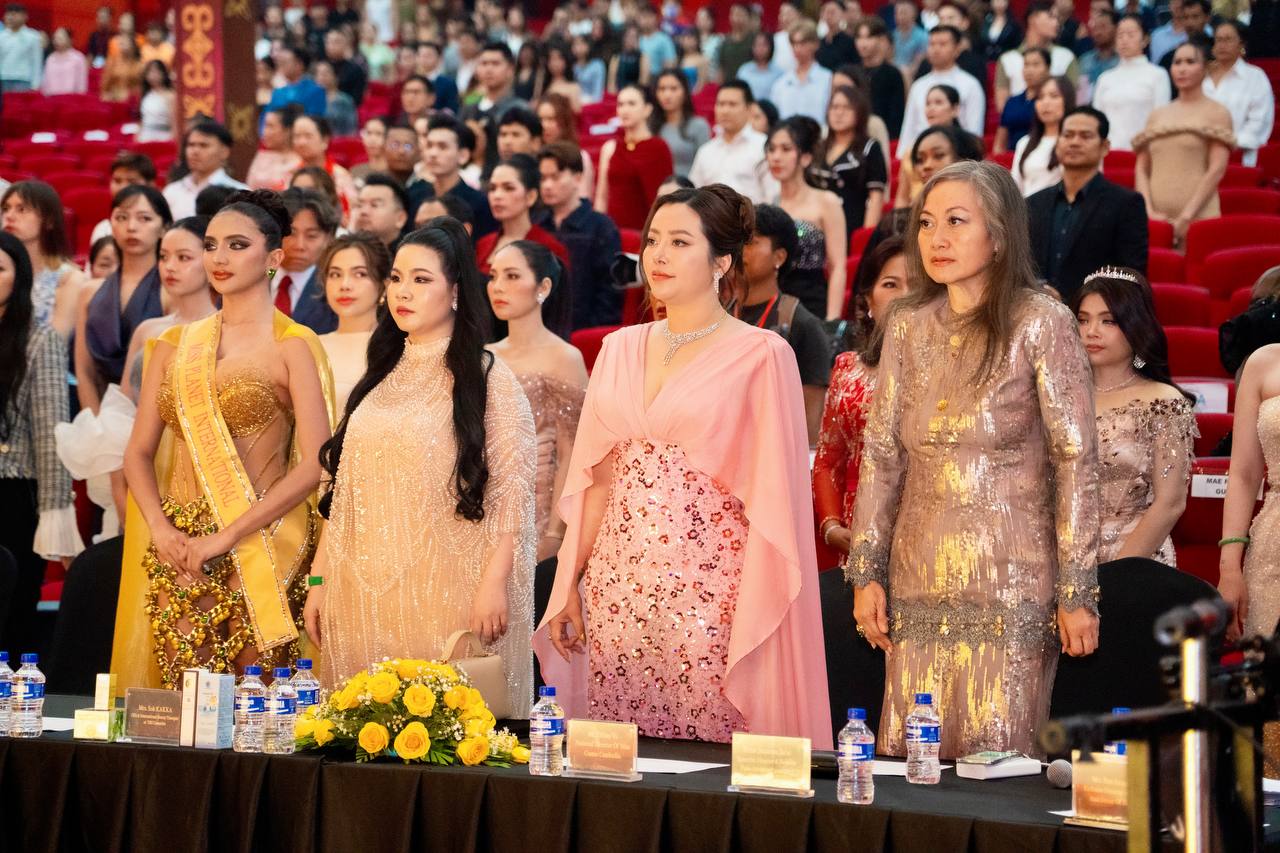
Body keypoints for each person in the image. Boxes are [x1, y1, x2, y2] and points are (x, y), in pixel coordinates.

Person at [537, 184, 832, 745]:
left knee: (707, 765)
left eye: (679, 242)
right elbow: (597, 480)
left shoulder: (762, 355)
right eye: (652, 241)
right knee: (620, 760)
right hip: (616, 591)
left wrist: (748, 604)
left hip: (713, 596)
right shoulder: (619, 347)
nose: (659, 255)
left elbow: (776, 501)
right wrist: (568, 582)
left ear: (722, 261)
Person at [848, 161, 1100, 760]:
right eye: (927, 223)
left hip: (1012, 577)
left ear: (1000, 234)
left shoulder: (1042, 322)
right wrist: (866, 573)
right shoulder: (907, 326)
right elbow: (881, 456)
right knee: (915, 766)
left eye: (956, 222)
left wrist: (1078, 590)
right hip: (917, 574)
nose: (936, 238)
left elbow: (1076, 460)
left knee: (999, 767)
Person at [305, 217, 535, 705]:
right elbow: (342, 495)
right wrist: (319, 579)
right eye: (396, 278)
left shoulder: (488, 378)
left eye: (421, 279)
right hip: (361, 593)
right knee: (362, 729)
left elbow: (513, 492)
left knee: (447, 729)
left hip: (451, 593)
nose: (402, 292)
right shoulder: (380, 375)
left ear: (455, 292)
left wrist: (495, 582)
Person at [112, 190, 335, 690]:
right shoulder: (171, 348)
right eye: (211, 245)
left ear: (274, 258)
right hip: (180, 547)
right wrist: (160, 529)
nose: (219, 258)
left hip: (263, 541)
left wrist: (228, 535)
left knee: (256, 705)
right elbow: (138, 453)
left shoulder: (293, 345)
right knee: (184, 698)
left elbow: (315, 464)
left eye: (237, 245)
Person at [1071, 268, 1195, 565]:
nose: (1091, 331)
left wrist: (1118, 574)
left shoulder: (1164, 402)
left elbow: (1170, 503)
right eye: (1083, 320)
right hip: (1061, 561)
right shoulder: (1059, 396)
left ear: (1135, 325)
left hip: (1137, 562)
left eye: (1108, 321)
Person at [0, 233, 82, 653]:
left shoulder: (39, 340)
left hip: (16, 491)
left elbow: (51, 431)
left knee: (13, 611)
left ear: (19, 277)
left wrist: (55, 511)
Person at [814, 237, 910, 567]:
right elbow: (828, 459)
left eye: (917, 285)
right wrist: (831, 526)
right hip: (856, 537)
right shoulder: (847, 368)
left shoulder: (953, 369)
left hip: (927, 538)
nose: (904, 296)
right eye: (891, 284)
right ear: (868, 299)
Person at [487, 240, 586, 558]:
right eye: (493, 276)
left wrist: (555, 532)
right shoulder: (485, 356)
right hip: (484, 507)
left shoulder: (564, 357)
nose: (497, 286)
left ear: (543, 287)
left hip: (537, 513)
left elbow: (573, 452)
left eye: (512, 276)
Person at [1026, 107, 1148, 304]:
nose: (1074, 142)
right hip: (1035, 312)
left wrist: (1069, 301)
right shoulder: (1033, 203)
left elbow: (1130, 278)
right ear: (1057, 144)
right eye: (1068, 135)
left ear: (1105, 147)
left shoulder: (1126, 204)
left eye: (1085, 136)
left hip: (1093, 316)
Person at [736, 203, 832, 443]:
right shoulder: (720, 314)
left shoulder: (802, 324)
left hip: (774, 450)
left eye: (751, 242)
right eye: (739, 241)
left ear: (779, 257)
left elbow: (810, 424)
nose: (741, 250)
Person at [76, 186, 172, 413]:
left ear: (164, 228)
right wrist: (98, 423)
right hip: (99, 414)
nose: (131, 227)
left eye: (144, 218)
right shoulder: (89, 292)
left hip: (156, 412)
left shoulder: (172, 291)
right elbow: (84, 372)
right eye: (121, 217)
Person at [1133, 41, 1234, 246]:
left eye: (1190, 62)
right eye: (1177, 62)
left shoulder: (1217, 112)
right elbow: (1141, 169)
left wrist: (1186, 217)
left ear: (1205, 68)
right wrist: (1148, 211)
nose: (1182, 68)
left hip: (1199, 217)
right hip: (1156, 220)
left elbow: (1217, 169)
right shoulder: (1157, 115)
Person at [767, 117, 848, 321]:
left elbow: (837, 266)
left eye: (786, 149)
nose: (776, 157)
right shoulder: (768, 205)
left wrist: (832, 320)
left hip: (812, 305)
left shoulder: (826, 201)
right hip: (774, 305)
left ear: (805, 157)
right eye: (771, 149)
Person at [536, 142, 623, 331]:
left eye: (555, 177)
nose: (547, 185)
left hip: (585, 330)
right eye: (543, 178)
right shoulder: (537, 225)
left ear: (577, 177)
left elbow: (610, 292)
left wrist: (590, 334)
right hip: (540, 328)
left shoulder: (601, 227)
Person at [1, 181, 87, 338]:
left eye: (21, 209)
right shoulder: (4, 273)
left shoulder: (70, 279)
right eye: (6, 209)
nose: (9, 216)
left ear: (49, 221)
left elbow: (56, 343)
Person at [318, 233, 389, 411]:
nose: (345, 285)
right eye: (335, 274)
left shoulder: (394, 349)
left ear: (384, 286)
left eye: (360, 274)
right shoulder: (309, 345)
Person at [897, 26, 987, 157]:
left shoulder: (971, 84)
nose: (936, 49)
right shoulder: (918, 85)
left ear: (957, 49)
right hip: (921, 156)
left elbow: (974, 131)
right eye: (932, 44)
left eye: (942, 44)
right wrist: (902, 157)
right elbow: (908, 130)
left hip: (958, 155)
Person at [595, 84, 674, 232]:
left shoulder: (659, 147)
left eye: (631, 104)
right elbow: (602, 196)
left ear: (647, 109)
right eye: (620, 104)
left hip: (645, 230)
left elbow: (664, 199)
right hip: (612, 231)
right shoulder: (610, 148)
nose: (624, 110)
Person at [475, 155, 570, 277]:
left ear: (531, 196)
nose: (497, 195)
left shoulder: (549, 248)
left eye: (508, 188)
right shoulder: (483, 244)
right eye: (492, 188)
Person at [812, 86, 887, 238]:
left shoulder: (870, 148)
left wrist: (865, 237)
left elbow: (875, 197)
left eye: (847, 107)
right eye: (834, 107)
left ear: (859, 112)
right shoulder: (819, 147)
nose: (839, 113)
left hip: (852, 227)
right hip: (817, 228)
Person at [687, 80, 777, 206]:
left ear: (749, 109)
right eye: (720, 104)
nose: (725, 110)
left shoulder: (764, 147)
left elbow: (773, 196)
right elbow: (693, 196)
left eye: (732, 104)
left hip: (755, 217)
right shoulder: (706, 151)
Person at [1092, 16, 1171, 151]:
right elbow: (1096, 120)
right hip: (1108, 153)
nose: (1124, 40)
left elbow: (1161, 120)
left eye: (1131, 34)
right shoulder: (1105, 78)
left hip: (1142, 152)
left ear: (1145, 40)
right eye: (1120, 35)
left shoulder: (1157, 75)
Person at [1203, 21, 1275, 168]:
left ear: (1241, 44)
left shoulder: (1255, 77)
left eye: (1228, 39)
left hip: (1239, 156)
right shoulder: (1202, 77)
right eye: (1218, 39)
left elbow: (1259, 123)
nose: (1222, 45)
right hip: (1198, 156)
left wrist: (1227, 143)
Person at [461, 41, 529, 180]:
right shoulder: (468, 109)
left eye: (495, 64)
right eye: (484, 63)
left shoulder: (520, 109)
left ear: (510, 69)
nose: (488, 69)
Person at [995, 1, 1080, 112]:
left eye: (1057, 18)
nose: (1056, 23)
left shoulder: (1066, 57)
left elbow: (1072, 101)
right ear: (1032, 19)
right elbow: (1002, 106)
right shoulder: (1007, 59)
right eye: (1051, 17)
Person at [422, 115, 498, 237]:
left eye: (442, 147)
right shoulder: (415, 193)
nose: (433, 153)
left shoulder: (479, 203)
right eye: (429, 146)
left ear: (463, 155)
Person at [276, 188, 340, 334]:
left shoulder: (333, 289)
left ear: (329, 238)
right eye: (291, 233)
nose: (299, 245)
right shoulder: (256, 277)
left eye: (311, 236)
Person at [163, 121, 249, 220]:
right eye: (191, 145)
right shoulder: (172, 191)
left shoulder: (240, 193)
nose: (195, 151)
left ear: (224, 152)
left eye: (203, 145)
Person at [896, 120, 984, 210]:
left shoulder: (984, 204)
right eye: (920, 160)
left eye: (938, 155)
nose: (926, 165)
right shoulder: (914, 211)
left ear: (962, 159)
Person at [1013, 76, 1074, 197]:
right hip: (1026, 206)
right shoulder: (1024, 142)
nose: (1046, 103)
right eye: (1040, 97)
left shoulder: (1075, 143)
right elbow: (1015, 188)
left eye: (1054, 96)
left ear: (1067, 100)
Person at [291, 114, 358, 223]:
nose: (301, 142)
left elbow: (352, 212)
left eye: (308, 136)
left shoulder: (339, 175)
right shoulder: (290, 174)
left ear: (325, 140)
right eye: (297, 136)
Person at [771, 21, 835, 124]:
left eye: (803, 43)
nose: (797, 49)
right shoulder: (780, 83)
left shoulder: (828, 79)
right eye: (794, 44)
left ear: (816, 44)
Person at [854, 18, 907, 139]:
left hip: (884, 137)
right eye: (859, 38)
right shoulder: (853, 73)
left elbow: (897, 115)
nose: (862, 43)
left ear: (882, 40)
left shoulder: (892, 74)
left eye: (868, 37)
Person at [653, 69, 712, 177]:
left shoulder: (699, 126)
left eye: (673, 89)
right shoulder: (650, 126)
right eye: (662, 89)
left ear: (685, 92)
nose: (667, 95)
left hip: (689, 185)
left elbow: (707, 166)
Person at [89, 152, 157, 244]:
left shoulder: (158, 225)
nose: (123, 188)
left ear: (150, 185)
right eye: (117, 181)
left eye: (131, 182)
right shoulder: (103, 229)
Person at [536, 93, 594, 200]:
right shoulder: (532, 154)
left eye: (551, 119)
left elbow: (582, 199)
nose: (544, 125)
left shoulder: (580, 157)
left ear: (564, 122)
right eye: (540, 119)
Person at [995, 47, 1050, 155]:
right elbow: (1000, 142)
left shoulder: (1049, 102)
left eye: (1035, 65)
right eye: (1026, 65)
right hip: (1011, 156)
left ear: (1047, 68)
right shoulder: (1012, 102)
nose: (1029, 70)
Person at [248, 106, 305, 193]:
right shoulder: (261, 155)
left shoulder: (300, 161)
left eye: (270, 126)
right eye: (265, 126)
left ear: (287, 131)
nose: (264, 132)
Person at [263, 44, 326, 118]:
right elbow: (267, 116)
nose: (281, 65)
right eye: (280, 62)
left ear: (299, 64)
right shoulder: (278, 92)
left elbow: (314, 118)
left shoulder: (315, 90)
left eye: (285, 62)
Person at [353, 175, 409, 250]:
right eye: (359, 205)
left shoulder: (409, 252)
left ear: (400, 218)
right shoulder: (348, 250)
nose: (363, 211)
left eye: (374, 205)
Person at [1078, 7, 1120, 101]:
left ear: (1116, 28)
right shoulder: (1085, 60)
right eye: (1095, 28)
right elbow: (1081, 95)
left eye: (1103, 27)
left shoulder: (1122, 60)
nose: (1098, 32)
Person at [0, 3, 41, 92]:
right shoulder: (1, 36)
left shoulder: (33, 36)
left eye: (14, 15)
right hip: (3, 78)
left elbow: (36, 61)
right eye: (8, 15)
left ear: (24, 16)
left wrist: (35, 85)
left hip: (23, 80)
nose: (11, 18)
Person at [313, 60, 357, 137]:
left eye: (326, 73)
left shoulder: (345, 100)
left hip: (340, 141)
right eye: (318, 74)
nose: (322, 77)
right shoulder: (312, 99)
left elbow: (351, 128)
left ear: (335, 76)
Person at [737, 30, 783, 103]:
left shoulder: (779, 73)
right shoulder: (744, 70)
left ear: (771, 47)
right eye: (757, 45)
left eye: (764, 45)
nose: (760, 48)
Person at [41, 27, 88, 95]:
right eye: (55, 38)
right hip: (52, 97)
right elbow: (45, 81)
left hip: (71, 97)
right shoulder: (51, 58)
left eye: (60, 38)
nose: (56, 41)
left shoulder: (78, 58)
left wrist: (80, 97)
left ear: (70, 40)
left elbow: (81, 83)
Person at [608, 24, 651, 94]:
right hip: (619, 93)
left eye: (635, 37)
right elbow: (611, 83)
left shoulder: (643, 57)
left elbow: (644, 83)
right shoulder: (616, 57)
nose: (631, 40)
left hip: (636, 93)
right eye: (629, 36)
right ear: (623, 38)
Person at [100, 31, 142, 101]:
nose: (122, 46)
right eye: (121, 44)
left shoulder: (139, 64)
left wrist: (131, 95)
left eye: (125, 43)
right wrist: (106, 94)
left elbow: (141, 85)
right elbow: (106, 81)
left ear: (133, 46)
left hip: (132, 99)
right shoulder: (113, 61)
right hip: (114, 97)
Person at [542, 42, 584, 110]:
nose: (555, 63)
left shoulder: (573, 87)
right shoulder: (543, 85)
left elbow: (576, 110)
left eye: (559, 58)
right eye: (551, 59)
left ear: (566, 61)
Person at [892, 0, 929, 73]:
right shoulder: (892, 35)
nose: (899, 16)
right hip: (893, 73)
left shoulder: (923, 37)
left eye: (903, 12)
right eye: (896, 13)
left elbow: (918, 64)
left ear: (914, 14)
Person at [350, 116, 389, 184]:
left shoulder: (396, 173)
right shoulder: (355, 171)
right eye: (368, 133)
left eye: (379, 134)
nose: (372, 139)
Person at [571, 34, 605, 104]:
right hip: (574, 102)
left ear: (588, 45)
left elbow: (597, 94)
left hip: (591, 103)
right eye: (575, 44)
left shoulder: (597, 65)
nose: (577, 47)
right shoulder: (572, 65)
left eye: (581, 44)